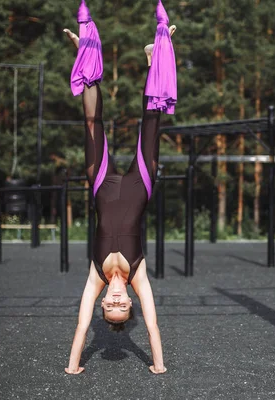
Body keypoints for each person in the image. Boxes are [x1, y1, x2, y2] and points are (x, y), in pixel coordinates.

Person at [63, 0, 177, 375]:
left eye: (109, 305)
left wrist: (73, 367)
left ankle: (86, 45)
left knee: (92, 121)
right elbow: (154, 326)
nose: (114, 299)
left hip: (102, 188)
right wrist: (158, 366)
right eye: (121, 305)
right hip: (139, 188)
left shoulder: (95, 276)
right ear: (130, 301)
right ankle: (158, 50)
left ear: (102, 305)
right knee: (151, 123)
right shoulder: (139, 274)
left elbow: (81, 327)